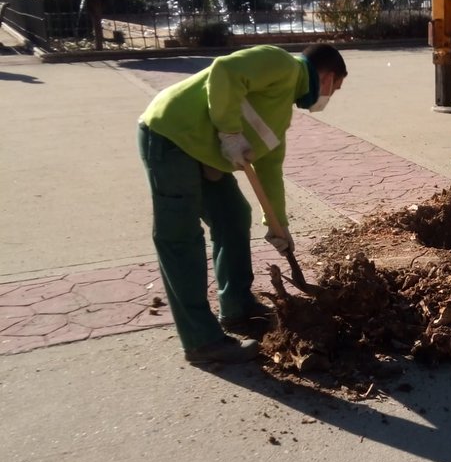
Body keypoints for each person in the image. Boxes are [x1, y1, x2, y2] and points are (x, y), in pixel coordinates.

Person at [137, 42, 348, 365]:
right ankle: (201, 341)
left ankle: (236, 307)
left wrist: (278, 225)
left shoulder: (281, 111)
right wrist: (230, 132)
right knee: (180, 237)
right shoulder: (282, 63)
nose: (330, 97)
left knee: (234, 215)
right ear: (326, 76)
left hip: (202, 151)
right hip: (171, 134)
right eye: (335, 87)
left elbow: (269, 168)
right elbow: (225, 70)